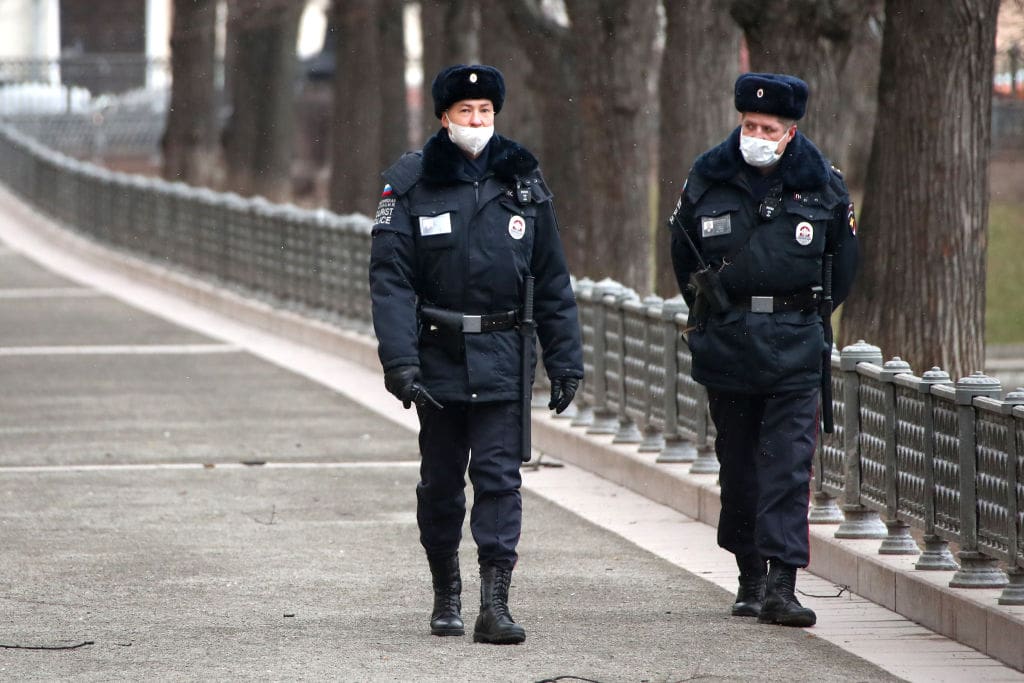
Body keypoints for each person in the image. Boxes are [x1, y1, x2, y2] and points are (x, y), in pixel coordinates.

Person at [368, 64, 583, 644]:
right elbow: (390, 282)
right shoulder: (410, 184)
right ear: (444, 118)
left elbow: (553, 279)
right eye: (466, 112)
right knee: (441, 485)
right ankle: (447, 592)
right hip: (437, 358)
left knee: (499, 479)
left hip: (504, 354)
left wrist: (566, 361)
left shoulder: (524, 181)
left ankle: (495, 604)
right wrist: (401, 363)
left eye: (485, 112)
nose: (476, 121)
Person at [667, 73, 858, 628]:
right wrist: (716, 312)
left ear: (790, 131)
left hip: (796, 345)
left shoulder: (824, 185)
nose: (756, 134)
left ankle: (782, 583)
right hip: (728, 345)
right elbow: (684, 256)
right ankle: (750, 572)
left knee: (789, 467)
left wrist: (798, 314)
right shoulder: (707, 179)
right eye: (749, 124)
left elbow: (843, 267)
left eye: (767, 128)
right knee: (741, 468)